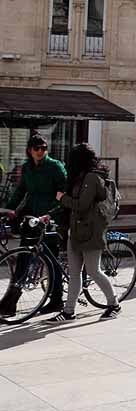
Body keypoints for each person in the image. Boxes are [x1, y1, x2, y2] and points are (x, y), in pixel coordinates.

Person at [48, 143, 121, 321]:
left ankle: (114, 304)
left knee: (93, 270)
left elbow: (81, 205)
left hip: (90, 232)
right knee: (74, 273)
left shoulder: (91, 178)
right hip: (76, 231)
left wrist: (63, 198)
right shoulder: (80, 177)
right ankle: (69, 311)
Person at [0, 134, 67, 316]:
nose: (40, 151)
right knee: (23, 257)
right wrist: (9, 210)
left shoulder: (55, 166)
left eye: (44, 148)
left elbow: (64, 192)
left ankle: (56, 300)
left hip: (50, 219)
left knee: (51, 260)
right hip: (32, 218)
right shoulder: (27, 168)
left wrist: (51, 214)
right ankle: (11, 300)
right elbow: (21, 191)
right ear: (29, 150)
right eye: (37, 148)